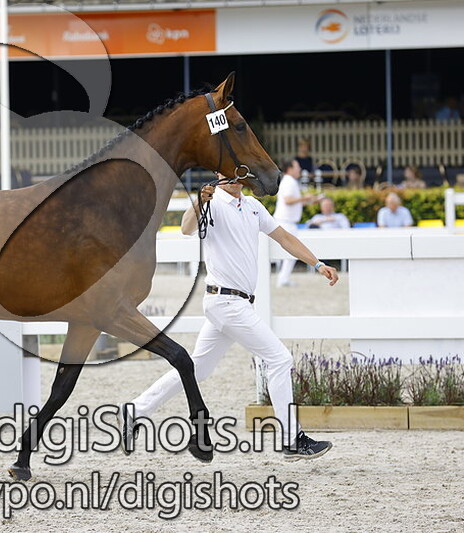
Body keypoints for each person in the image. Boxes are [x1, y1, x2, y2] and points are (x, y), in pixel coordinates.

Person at [119, 176, 338, 460]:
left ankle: (135, 410)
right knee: (280, 359)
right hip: (227, 303)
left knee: (198, 369)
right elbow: (186, 228)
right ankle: (292, 439)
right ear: (217, 172)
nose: (235, 177)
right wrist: (199, 202)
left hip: (233, 303)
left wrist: (317, 264)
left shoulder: (253, 207)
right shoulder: (212, 203)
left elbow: (284, 237)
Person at [273, 158, 316, 287]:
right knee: (293, 250)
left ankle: (283, 278)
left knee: (291, 252)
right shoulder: (289, 181)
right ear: (290, 169)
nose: (299, 169)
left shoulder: (290, 181)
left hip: (287, 222)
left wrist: (308, 200)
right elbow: (288, 200)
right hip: (285, 222)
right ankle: (282, 279)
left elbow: (293, 201)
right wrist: (305, 198)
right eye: (297, 167)